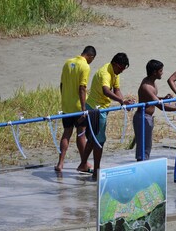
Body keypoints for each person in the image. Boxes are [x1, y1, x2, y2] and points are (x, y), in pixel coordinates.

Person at [78, 53, 135, 181]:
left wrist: (123, 101)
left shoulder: (115, 73)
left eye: (123, 70)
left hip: (103, 108)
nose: (121, 72)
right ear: (115, 64)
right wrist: (121, 101)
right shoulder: (105, 72)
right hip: (95, 109)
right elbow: (106, 91)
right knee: (100, 141)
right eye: (120, 69)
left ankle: (83, 164)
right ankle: (96, 172)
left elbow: (116, 89)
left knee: (93, 138)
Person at [133, 59, 176, 161]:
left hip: (148, 117)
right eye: (161, 71)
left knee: (147, 145)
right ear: (154, 72)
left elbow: (154, 99)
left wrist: (164, 98)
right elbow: (161, 106)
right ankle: (141, 166)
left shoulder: (152, 82)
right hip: (142, 118)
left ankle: (143, 163)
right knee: (143, 146)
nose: (162, 73)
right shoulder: (146, 86)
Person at [55, 45, 96, 174]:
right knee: (81, 134)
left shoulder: (68, 63)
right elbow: (82, 88)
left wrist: (65, 99)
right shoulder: (85, 66)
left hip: (66, 106)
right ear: (91, 56)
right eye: (92, 60)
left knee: (66, 133)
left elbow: (61, 84)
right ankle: (84, 163)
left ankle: (60, 163)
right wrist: (84, 108)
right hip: (78, 107)